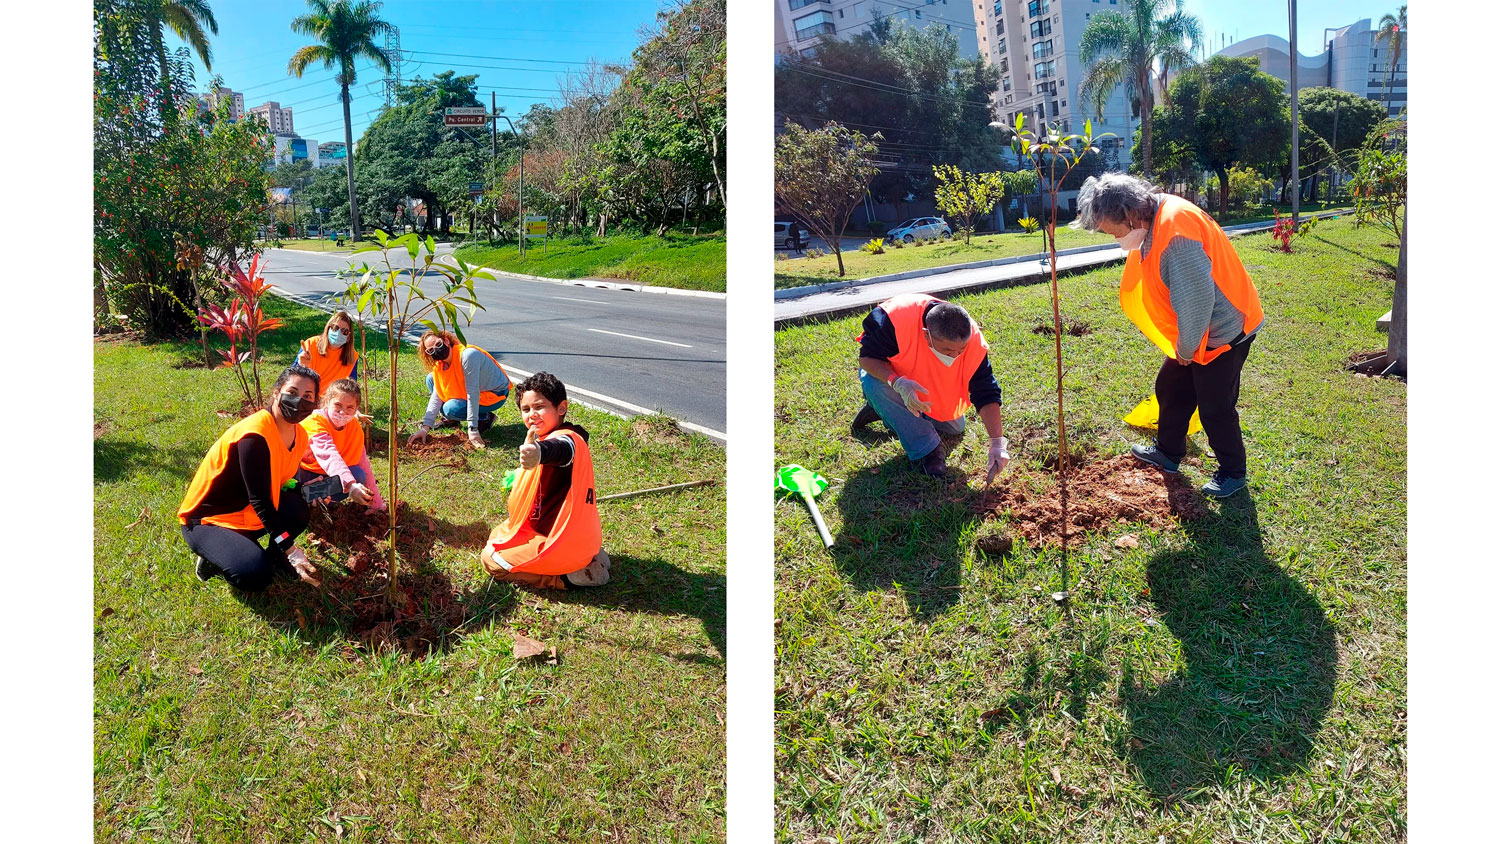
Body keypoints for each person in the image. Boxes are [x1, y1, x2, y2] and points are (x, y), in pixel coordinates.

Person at [1072, 173, 1264, 498]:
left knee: (1215, 406)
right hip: (1196, 331)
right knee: (1171, 386)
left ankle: (1233, 473)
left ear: (1130, 214)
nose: (1112, 237)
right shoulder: (1154, 220)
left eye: (1110, 230)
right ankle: (1168, 453)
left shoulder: (1175, 232)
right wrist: (1185, 349)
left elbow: (1198, 302)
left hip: (1226, 331)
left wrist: (1187, 350)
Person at [178, 365, 325, 591]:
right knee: (256, 575)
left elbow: (284, 482)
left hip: (247, 513)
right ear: (277, 393)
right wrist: (290, 548)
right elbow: (261, 501)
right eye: (292, 392)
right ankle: (214, 557)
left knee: (297, 510)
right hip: (209, 520)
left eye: (308, 396)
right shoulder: (255, 436)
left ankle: (273, 555)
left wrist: (309, 492)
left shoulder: (300, 435)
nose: (299, 401)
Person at [851, 293, 1010, 479]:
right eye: (948, 350)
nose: (955, 356)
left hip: (928, 384)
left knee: (955, 428)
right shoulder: (893, 319)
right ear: (927, 335)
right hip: (894, 380)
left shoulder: (971, 338)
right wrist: (898, 383)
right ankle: (928, 451)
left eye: (961, 350)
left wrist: (997, 443)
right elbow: (867, 359)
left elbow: (985, 390)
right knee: (874, 384)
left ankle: (884, 410)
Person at [480, 372, 609, 590]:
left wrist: (539, 452)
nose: (532, 414)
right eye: (525, 409)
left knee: (492, 560)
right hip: (576, 536)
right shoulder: (552, 436)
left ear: (561, 408)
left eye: (539, 407)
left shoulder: (567, 439)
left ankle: (565, 578)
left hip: (556, 538)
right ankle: (590, 556)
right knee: (498, 534)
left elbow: (563, 450)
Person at [409, 329, 511, 450]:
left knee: (449, 408)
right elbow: (437, 395)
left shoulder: (468, 356)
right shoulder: (440, 365)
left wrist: (473, 430)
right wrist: (425, 428)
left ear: (446, 341)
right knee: (430, 379)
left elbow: (472, 392)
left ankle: (485, 418)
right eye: (430, 350)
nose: (436, 350)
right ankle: (452, 421)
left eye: (438, 344)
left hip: (495, 394)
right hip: (474, 391)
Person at [295, 377, 385, 511]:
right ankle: (302, 499)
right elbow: (329, 454)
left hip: (329, 477)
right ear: (327, 402)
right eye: (338, 405)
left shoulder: (354, 427)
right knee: (351, 478)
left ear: (356, 409)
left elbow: (363, 463)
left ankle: (319, 501)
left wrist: (376, 504)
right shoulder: (315, 420)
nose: (343, 412)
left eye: (350, 407)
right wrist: (350, 485)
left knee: (358, 474)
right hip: (304, 475)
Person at [297, 310, 359, 387]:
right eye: (335, 328)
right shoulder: (310, 344)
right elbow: (292, 377)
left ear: (349, 337)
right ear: (328, 329)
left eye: (344, 331)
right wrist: (301, 365)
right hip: (308, 394)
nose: (338, 333)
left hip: (332, 397)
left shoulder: (352, 357)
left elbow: (351, 388)